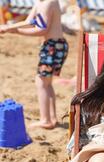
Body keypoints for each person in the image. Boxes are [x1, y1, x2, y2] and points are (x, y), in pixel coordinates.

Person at [0, 0, 69, 129]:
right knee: (46, 83)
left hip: (52, 47)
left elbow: (42, 29)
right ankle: (52, 118)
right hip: (55, 45)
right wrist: (9, 27)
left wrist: (16, 31)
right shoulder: (40, 2)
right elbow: (28, 21)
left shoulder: (49, 3)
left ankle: (45, 120)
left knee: (41, 82)